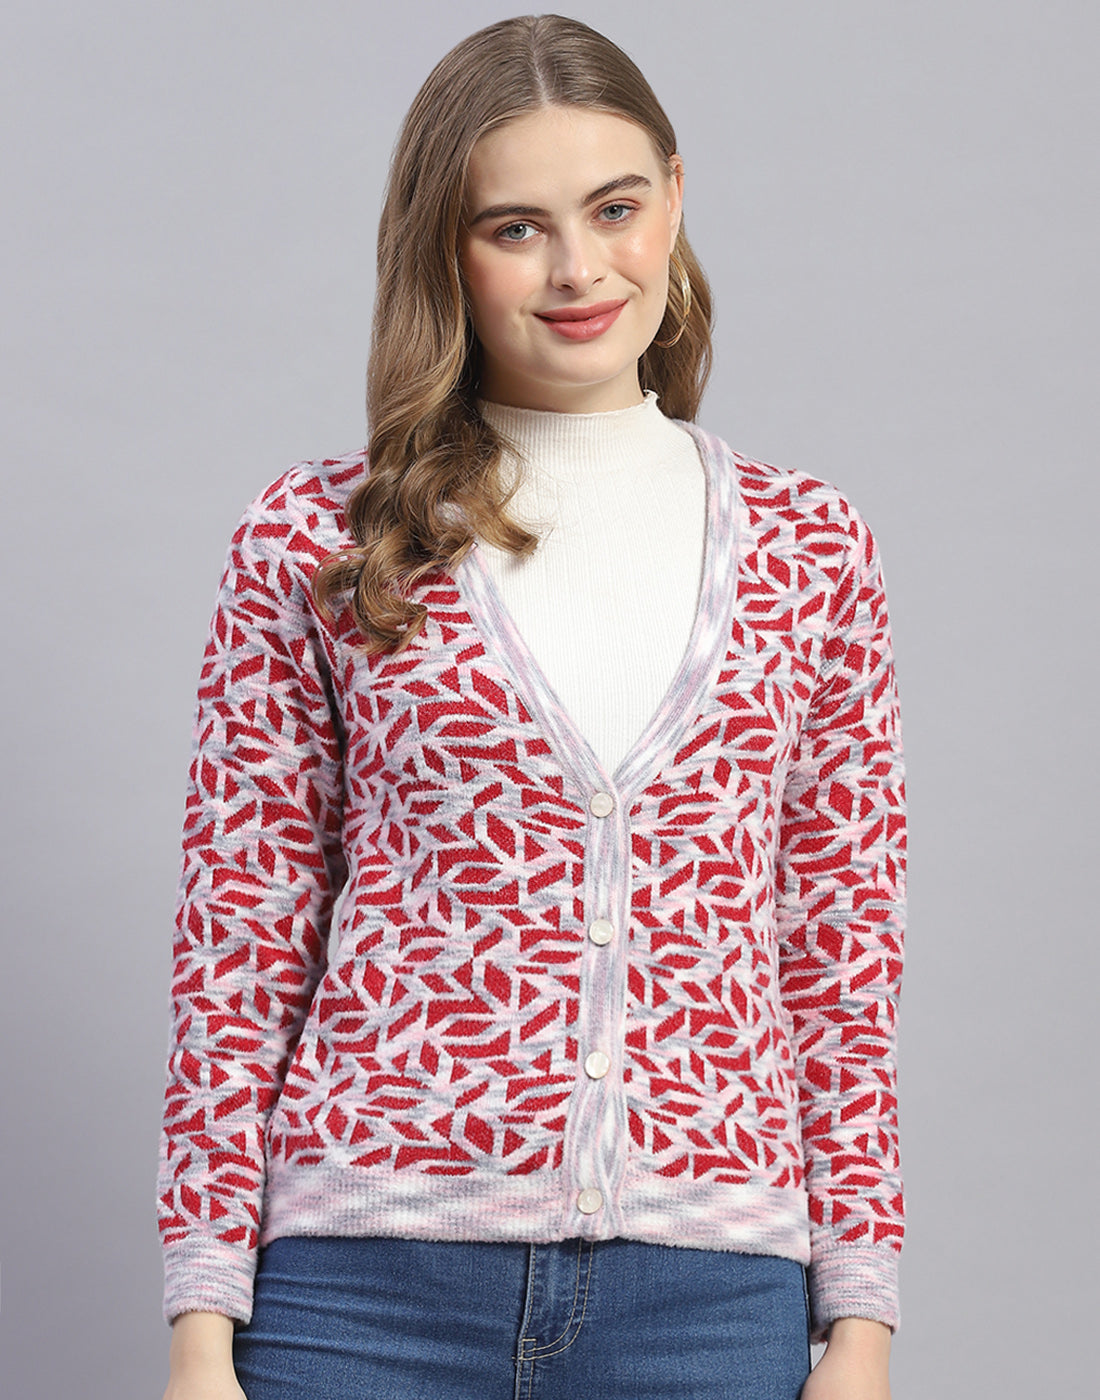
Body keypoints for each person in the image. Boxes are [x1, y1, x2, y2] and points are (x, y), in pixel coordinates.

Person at [158, 14, 905, 1400]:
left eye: (614, 208)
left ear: (673, 197)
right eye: (516, 227)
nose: (579, 269)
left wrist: (860, 1322)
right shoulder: (322, 537)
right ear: (444, 250)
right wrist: (202, 1324)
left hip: (710, 1300)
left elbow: (840, 949)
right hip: (360, 1295)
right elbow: (240, 936)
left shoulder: (811, 547)